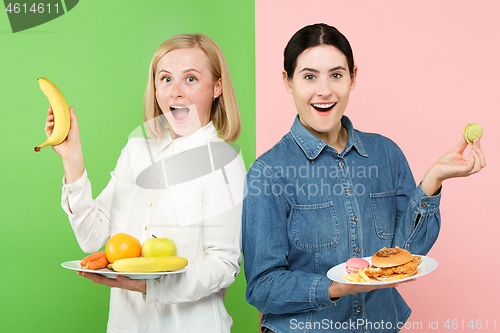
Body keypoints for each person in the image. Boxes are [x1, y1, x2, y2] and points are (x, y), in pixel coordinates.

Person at [242, 23, 485, 333]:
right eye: (309, 76)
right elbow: (262, 286)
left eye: (336, 74)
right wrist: (335, 288)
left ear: (353, 77)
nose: (325, 90)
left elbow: (403, 257)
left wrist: (434, 179)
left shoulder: (386, 154)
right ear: (288, 81)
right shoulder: (269, 172)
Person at [45, 33, 247, 332]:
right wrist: (73, 161)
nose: (176, 92)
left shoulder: (225, 163)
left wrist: (149, 287)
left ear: (217, 87)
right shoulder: (137, 150)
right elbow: (92, 237)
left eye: (190, 79)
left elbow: (223, 266)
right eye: (165, 79)